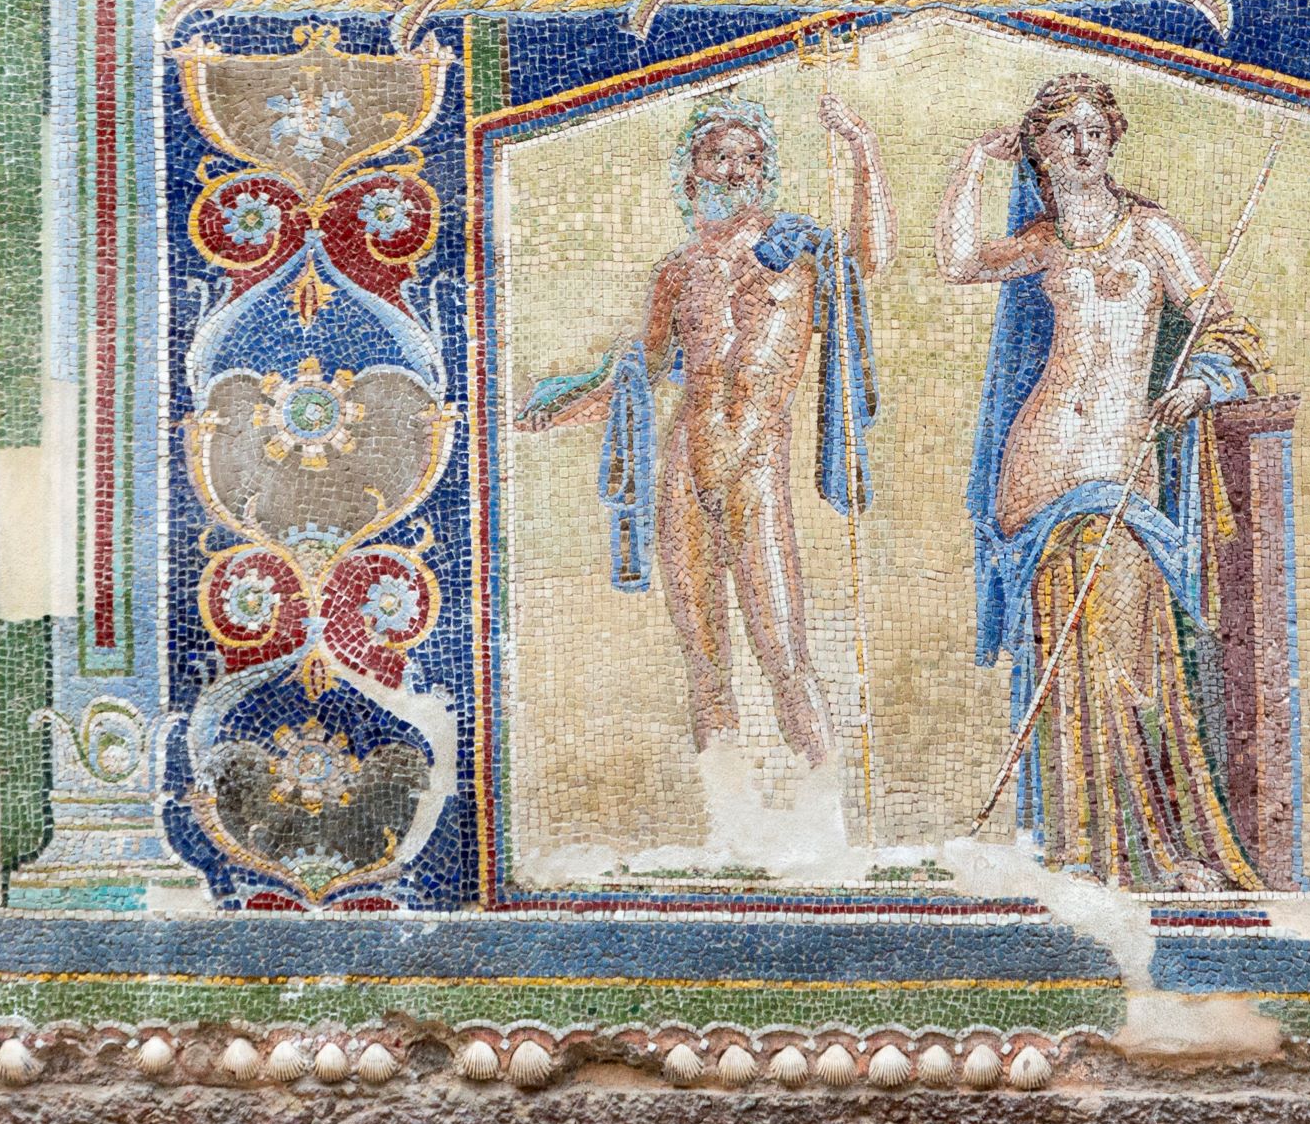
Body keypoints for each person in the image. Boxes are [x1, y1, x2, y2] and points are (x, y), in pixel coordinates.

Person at [935, 72, 1261, 892]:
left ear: (1112, 141)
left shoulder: (1151, 232)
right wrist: (973, 162)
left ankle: (1151, 848)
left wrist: (1204, 382)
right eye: (1063, 134)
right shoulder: (1044, 241)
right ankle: (1083, 845)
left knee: (1127, 657)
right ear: (1040, 151)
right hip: (1039, 462)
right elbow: (960, 261)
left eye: (1093, 131)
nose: (1081, 146)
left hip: (1117, 460)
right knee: (1065, 665)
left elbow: (1226, 324)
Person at [520, 88, 889, 770]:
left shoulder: (797, 250)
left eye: (749, 159)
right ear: (692, 171)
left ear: (765, 171)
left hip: (755, 463)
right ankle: (727, 805)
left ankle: (824, 797)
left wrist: (861, 146)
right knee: (704, 661)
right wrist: (556, 413)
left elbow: (869, 258)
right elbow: (638, 375)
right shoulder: (678, 271)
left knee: (783, 654)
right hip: (685, 467)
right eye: (719, 156)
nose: (735, 170)